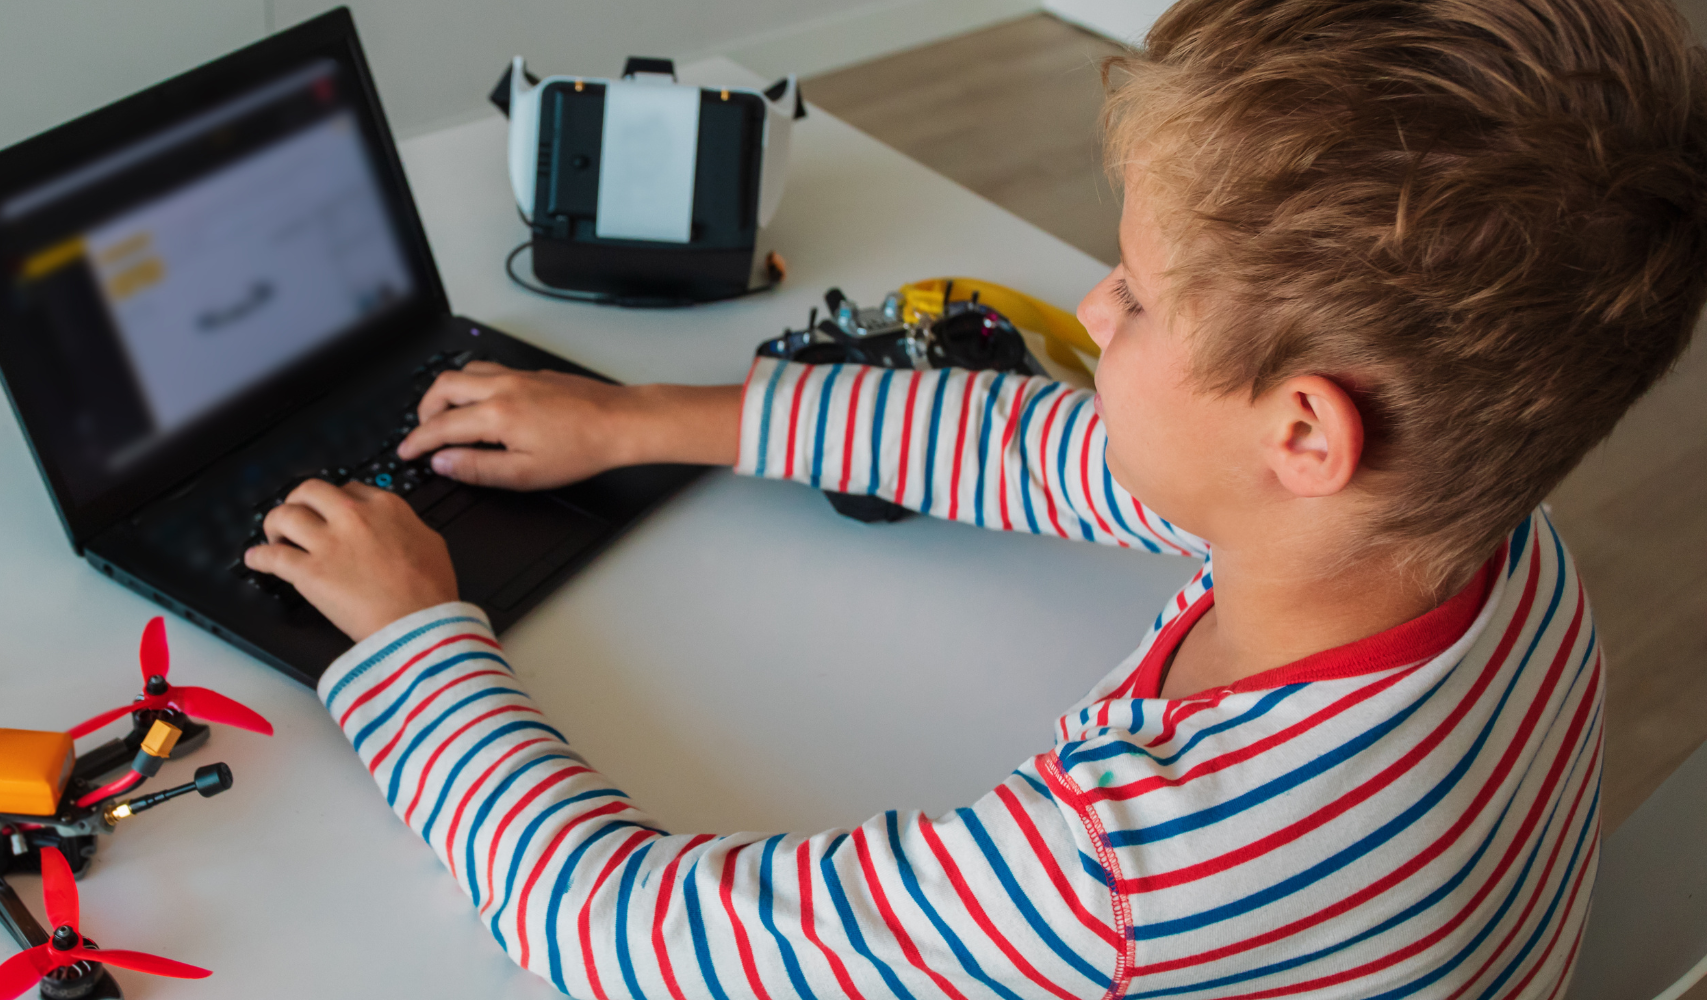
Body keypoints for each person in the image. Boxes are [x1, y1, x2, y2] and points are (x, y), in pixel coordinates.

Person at [242, 0, 1707, 995]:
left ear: (1306, 435)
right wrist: (644, 418)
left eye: (1134, 297)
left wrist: (416, 633)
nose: (1092, 305)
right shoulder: (1490, 535)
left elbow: (624, 936)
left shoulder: (1135, 874)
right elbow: (1052, 453)